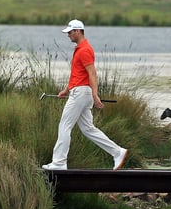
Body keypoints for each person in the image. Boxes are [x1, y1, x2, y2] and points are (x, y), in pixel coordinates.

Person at [42, 19, 129, 171]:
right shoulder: (80, 49)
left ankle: (59, 162)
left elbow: (92, 74)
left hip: (81, 93)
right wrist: (67, 89)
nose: (68, 35)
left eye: (70, 32)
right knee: (88, 129)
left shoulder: (84, 50)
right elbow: (78, 74)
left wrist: (95, 95)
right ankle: (117, 152)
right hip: (79, 91)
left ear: (77, 31)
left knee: (64, 125)